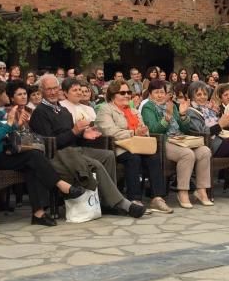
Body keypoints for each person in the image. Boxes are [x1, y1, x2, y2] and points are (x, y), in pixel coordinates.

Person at [30, 74, 144, 217]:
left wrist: (82, 134)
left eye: (55, 88)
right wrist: (74, 131)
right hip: (58, 155)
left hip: (75, 149)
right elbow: (49, 143)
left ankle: (106, 202)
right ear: (41, 91)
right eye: (48, 89)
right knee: (95, 164)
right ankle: (121, 203)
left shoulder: (62, 110)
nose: (53, 92)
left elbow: (72, 135)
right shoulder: (40, 112)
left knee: (108, 155)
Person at [0, 81, 80, 226]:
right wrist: (9, 125)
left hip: (12, 153)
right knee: (34, 156)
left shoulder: (1, 114)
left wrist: (18, 125)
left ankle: (38, 214)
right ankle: (61, 185)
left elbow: (10, 133)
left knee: (32, 165)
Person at [96, 79, 171, 213]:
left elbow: (145, 130)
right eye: (122, 92)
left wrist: (142, 131)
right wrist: (134, 132)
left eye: (128, 92)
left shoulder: (134, 111)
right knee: (133, 158)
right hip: (118, 147)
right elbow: (109, 131)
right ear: (113, 94)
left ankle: (157, 198)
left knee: (153, 157)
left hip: (138, 145)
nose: (127, 95)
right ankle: (134, 199)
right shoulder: (106, 109)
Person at [140, 80, 212, 208]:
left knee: (204, 151)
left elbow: (184, 128)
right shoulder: (148, 107)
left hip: (180, 139)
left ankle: (201, 190)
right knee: (187, 154)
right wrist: (167, 117)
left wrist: (183, 115)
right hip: (164, 142)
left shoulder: (172, 105)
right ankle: (182, 191)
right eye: (156, 92)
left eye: (162, 92)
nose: (160, 95)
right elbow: (153, 130)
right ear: (150, 94)